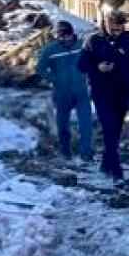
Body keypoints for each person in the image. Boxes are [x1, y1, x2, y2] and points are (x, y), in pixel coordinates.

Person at [79, 7, 129, 180]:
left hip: (124, 91)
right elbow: (82, 64)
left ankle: (106, 163)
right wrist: (97, 67)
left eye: (119, 28)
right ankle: (116, 170)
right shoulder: (93, 40)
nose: (116, 32)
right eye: (113, 28)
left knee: (116, 130)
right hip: (102, 92)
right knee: (109, 128)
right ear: (105, 24)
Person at [36, 21, 93, 162]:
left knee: (86, 123)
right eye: (61, 36)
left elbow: (92, 61)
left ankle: (86, 153)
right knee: (62, 124)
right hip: (61, 93)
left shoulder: (82, 46)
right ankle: (65, 150)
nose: (64, 39)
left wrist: (90, 76)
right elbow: (40, 68)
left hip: (81, 91)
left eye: (67, 35)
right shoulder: (50, 50)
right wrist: (54, 79)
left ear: (72, 33)